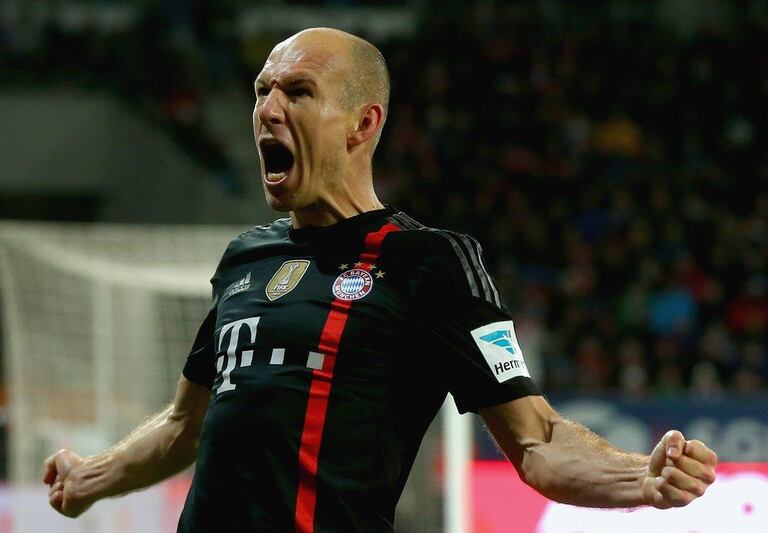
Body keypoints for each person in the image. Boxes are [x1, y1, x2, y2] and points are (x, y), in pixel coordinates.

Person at [44, 28, 718, 531]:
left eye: (298, 92)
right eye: (262, 91)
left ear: (363, 124)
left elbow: (536, 440)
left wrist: (642, 475)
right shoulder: (244, 258)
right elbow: (182, 425)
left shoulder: (429, 261)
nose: (268, 109)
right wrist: (89, 476)